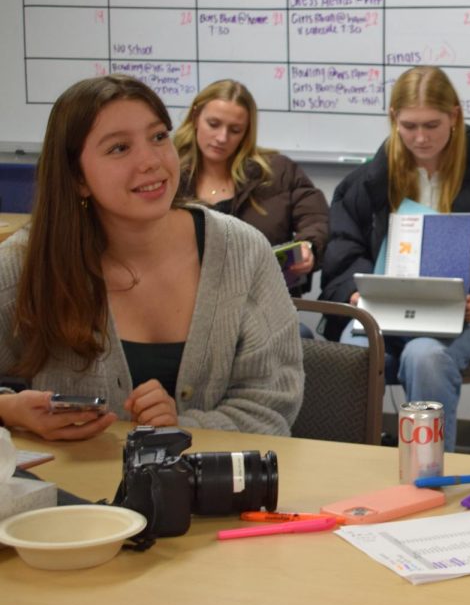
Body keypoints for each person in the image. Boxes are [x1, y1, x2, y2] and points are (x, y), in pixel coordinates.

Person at [0, 75, 304, 440]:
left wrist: (184, 427)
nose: (151, 161)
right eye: (119, 148)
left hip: (212, 492)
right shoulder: (27, 261)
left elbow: (273, 405)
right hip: (72, 493)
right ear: (78, 177)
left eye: (159, 137)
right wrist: (11, 410)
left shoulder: (243, 252)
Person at [320, 66, 470, 451]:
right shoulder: (368, 181)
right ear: (393, 119)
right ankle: (350, 467)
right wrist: (354, 293)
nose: (420, 138)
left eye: (432, 125)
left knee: (425, 356)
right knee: (352, 353)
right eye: (409, 126)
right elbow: (342, 246)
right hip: (381, 319)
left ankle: (429, 474)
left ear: (454, 116)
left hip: (453, 324)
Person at [174, 79, 329, 296]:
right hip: (187, 304)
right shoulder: (169, 175)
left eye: (235, 130)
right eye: (214, 124)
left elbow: (315, 218)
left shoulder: (276, 172)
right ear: (195, 117)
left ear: (247, 132)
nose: (222, 138)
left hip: (263, 303)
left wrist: (308, 246)